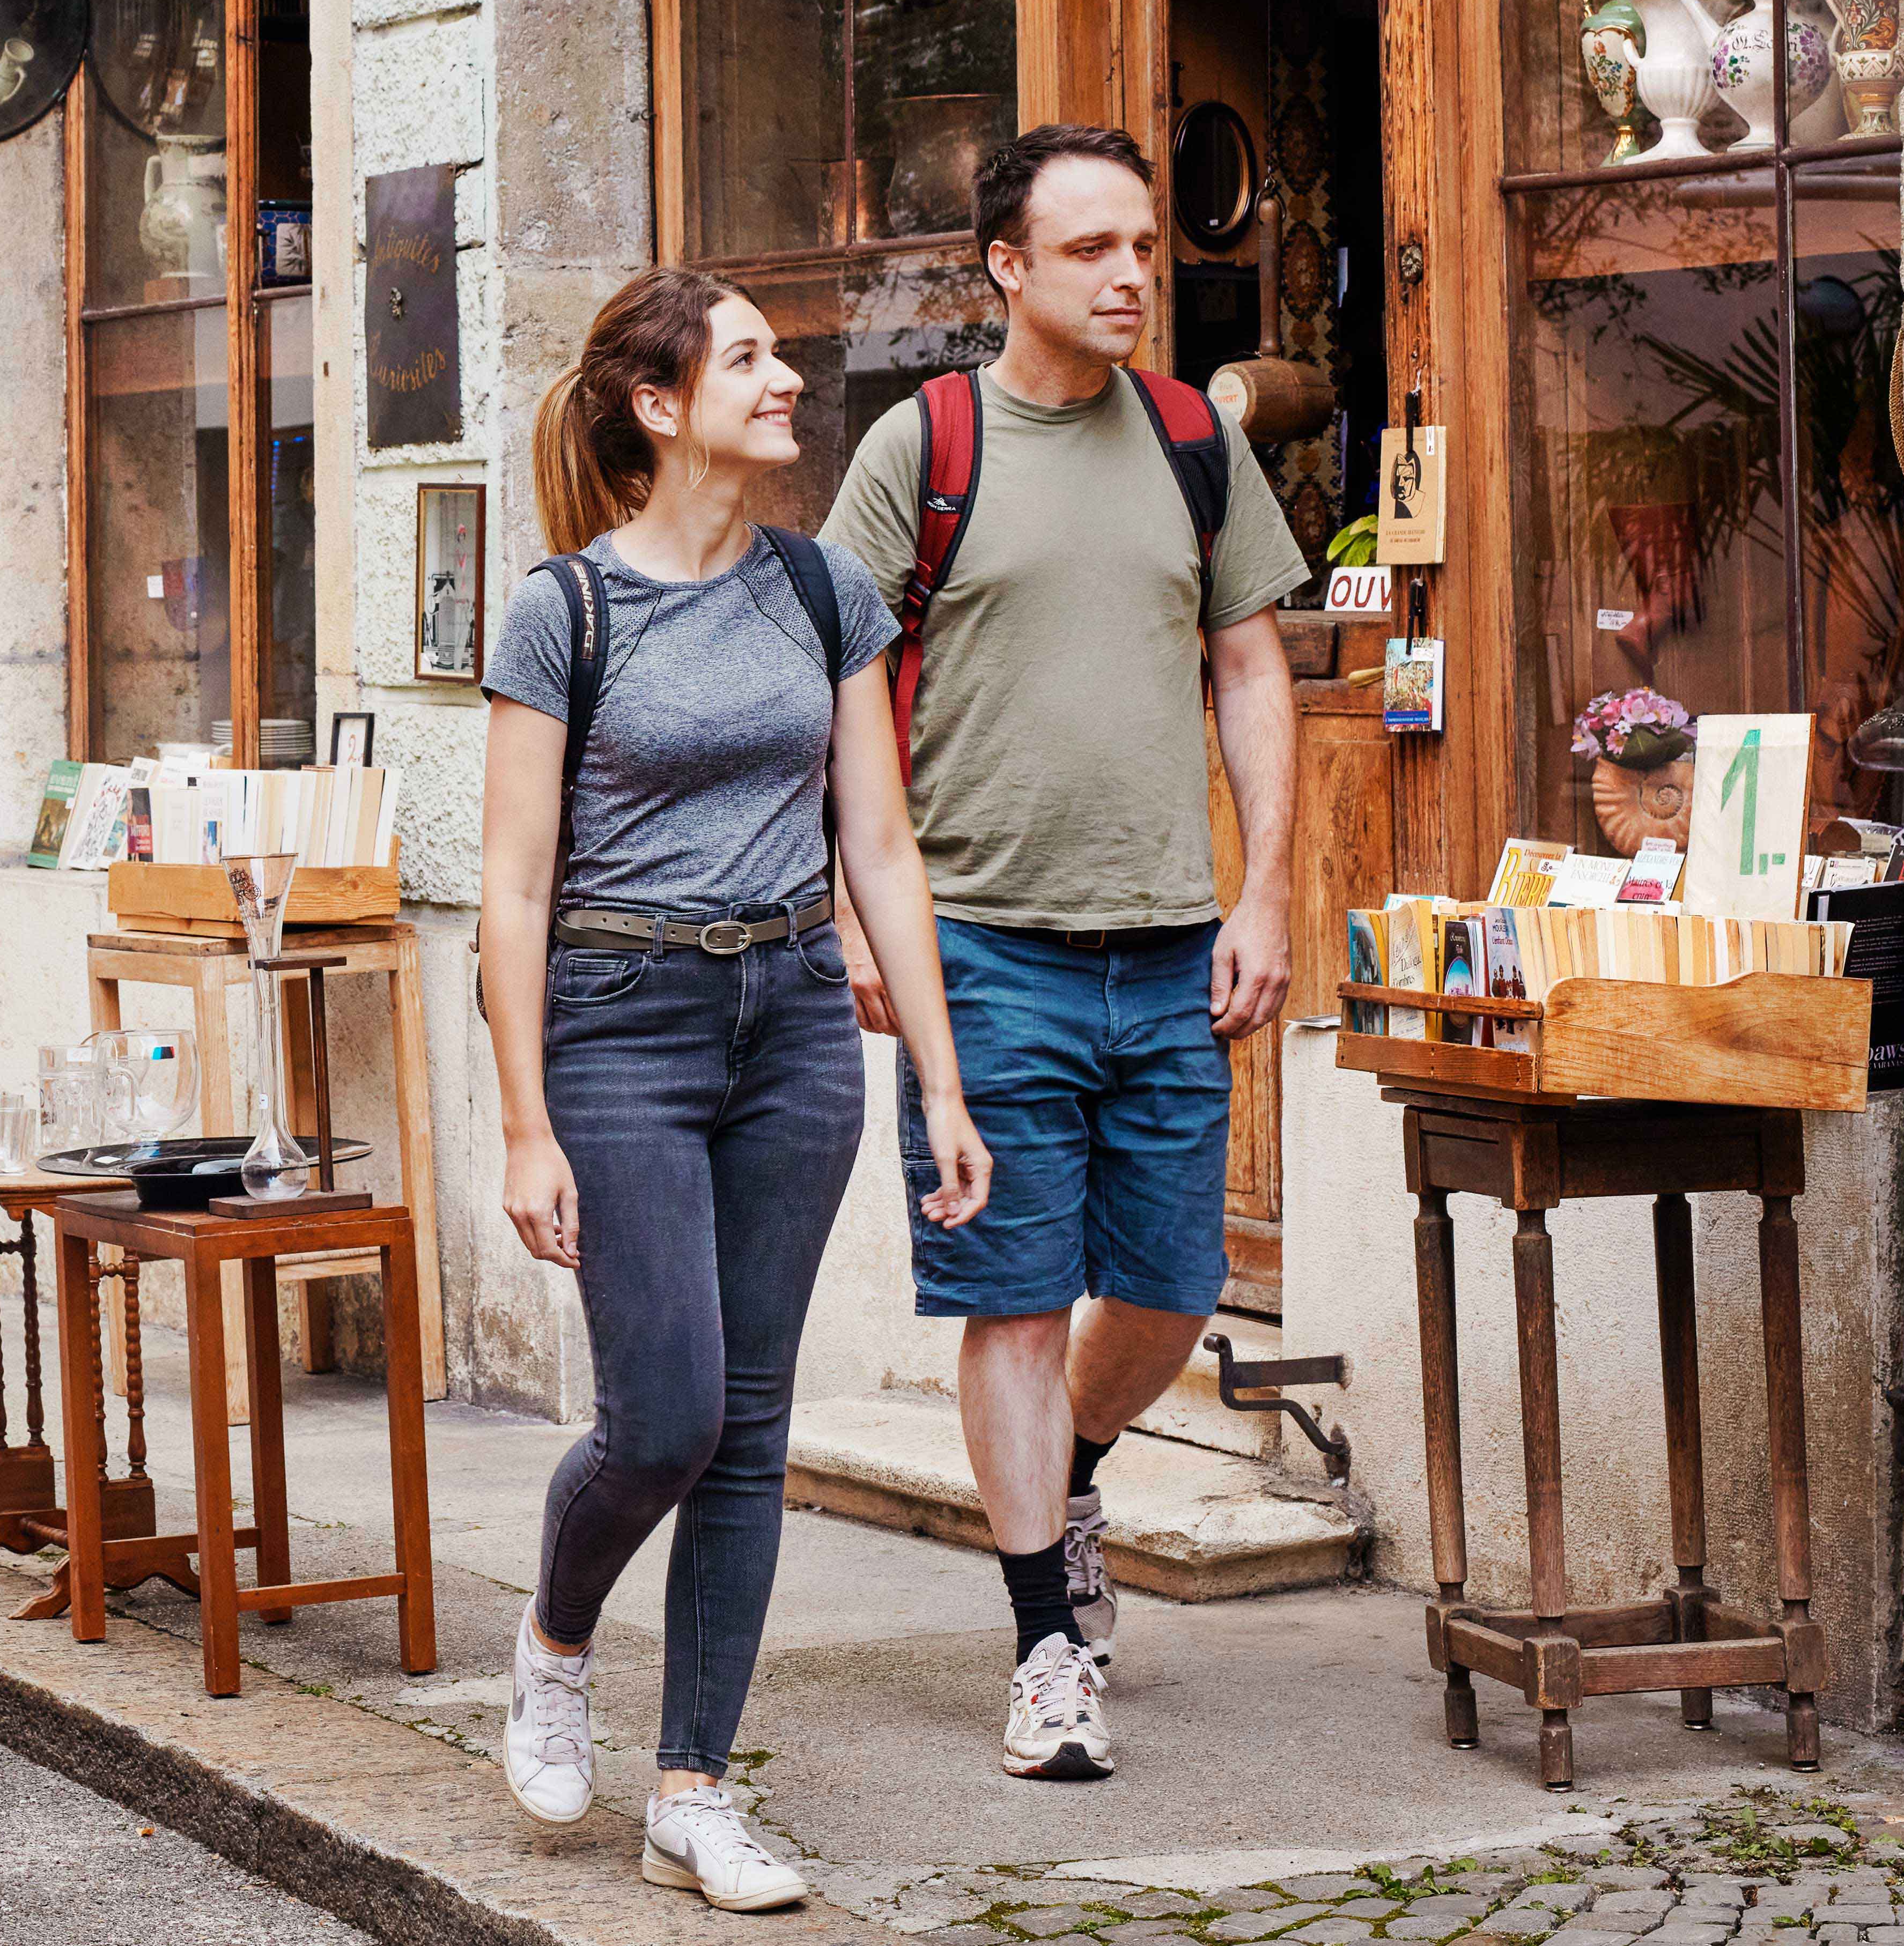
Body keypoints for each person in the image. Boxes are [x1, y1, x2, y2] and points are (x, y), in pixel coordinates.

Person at [479, 267, 991, 1908]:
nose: (787, 379)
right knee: (667, 1420)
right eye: (754, 358)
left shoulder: (819, 592)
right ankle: (555, 1644)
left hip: (786, 1021)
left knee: (752, 1432)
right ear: (658, 404)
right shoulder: (566, 612)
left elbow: (883, 847)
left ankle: (691, 1788)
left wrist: (942, 1076)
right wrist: (522, 1124)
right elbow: (508, 888)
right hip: (616, 1023)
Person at [818, 123, 1308, 1783]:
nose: (1125, 278)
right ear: (1005, 269)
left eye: (1144, 249)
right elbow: (836, 697)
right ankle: (1043, 1645)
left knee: (1168, 1291)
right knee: (1013, 1300)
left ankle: (1073, 1475)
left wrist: (1265, 893)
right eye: (1089, 249)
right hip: (980, 949)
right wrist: (854, 907)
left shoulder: (1191, 440)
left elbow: (1249, 669)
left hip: (1170, 944)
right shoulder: (923, 443)